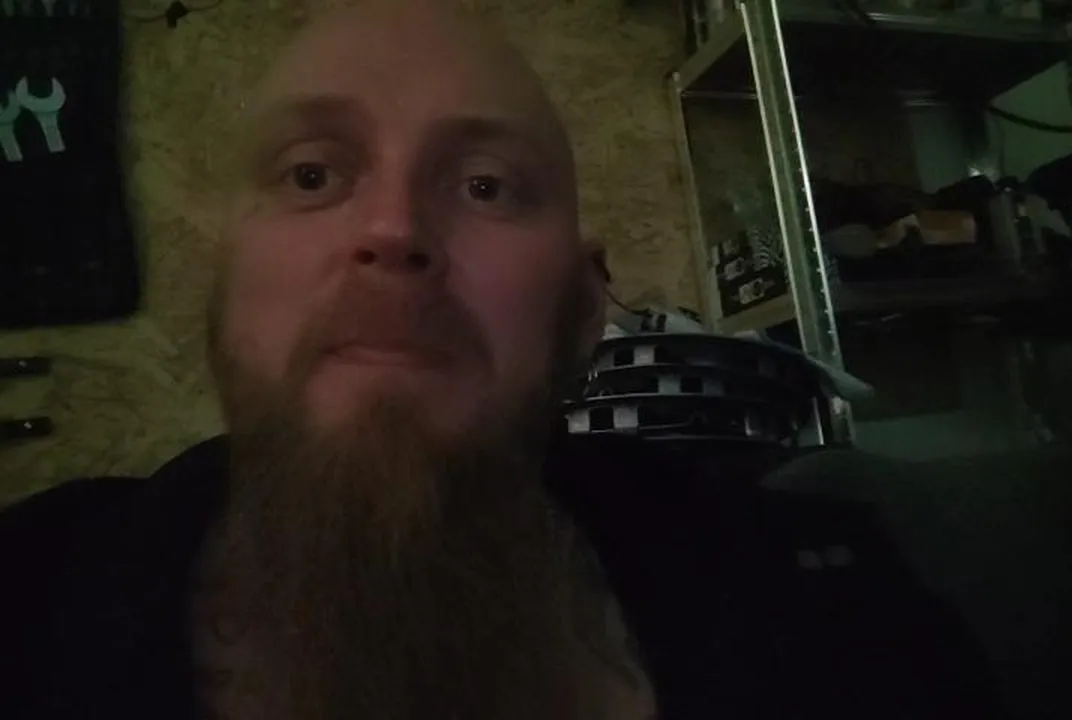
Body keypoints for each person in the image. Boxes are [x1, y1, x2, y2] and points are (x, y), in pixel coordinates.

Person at [0, 2, 1010, 719]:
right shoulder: (26, 599)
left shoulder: (834, 607)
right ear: (224, 287)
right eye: (312, 174)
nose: (393, 228)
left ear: (584, 306)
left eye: (486, 185)